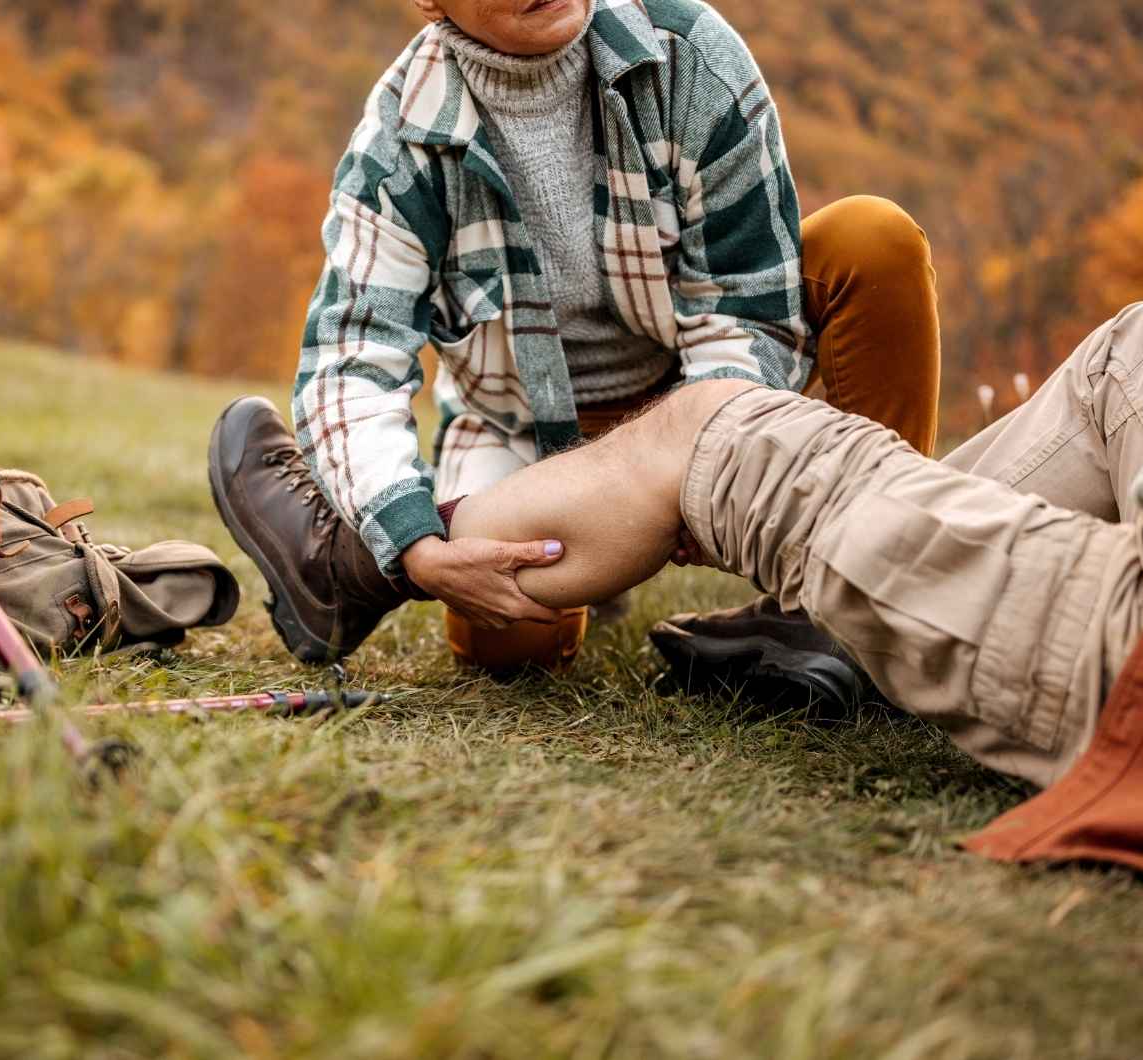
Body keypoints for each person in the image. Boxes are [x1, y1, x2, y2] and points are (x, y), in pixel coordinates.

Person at [217, 301, 1143, 864]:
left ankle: (350, 568)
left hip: (1136, 634)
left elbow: (743, 309)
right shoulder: (410, 122)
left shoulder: (687, 58)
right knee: (1139, 342)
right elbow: (356, 342)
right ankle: (841, 627)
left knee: (705, 427)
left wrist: (715, 491)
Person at [210, 0, 941, 681]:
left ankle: (847, 600)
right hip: (527, 430)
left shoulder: (688, 55)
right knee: (509, 648)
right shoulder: (398, 142)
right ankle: (361, 560)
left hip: (703, 387)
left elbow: (750, 311)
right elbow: (351, 364)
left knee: (871, 242)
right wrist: (414, 542)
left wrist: (697, 464)